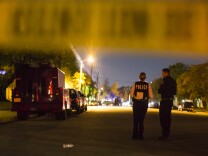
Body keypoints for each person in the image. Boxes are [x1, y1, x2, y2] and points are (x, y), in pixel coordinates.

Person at [130, 72, 153, 140]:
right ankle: (140, 136)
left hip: (136, 104)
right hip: (143, 104)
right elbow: (151, 96)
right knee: (141, 121)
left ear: (139, 77)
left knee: (135, 120)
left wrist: (135, 96)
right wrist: (147, 96)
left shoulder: (135, 84)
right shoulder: (147, 85)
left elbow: (131, 95)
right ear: (145, 78)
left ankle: (134, 135)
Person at [158, 68, 177, 140]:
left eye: (162, 73)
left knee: (163, 118)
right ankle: (167, 134)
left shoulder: (164, 81)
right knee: (168, 118)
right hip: (170, 101)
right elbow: (175, 92)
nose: (162, 74)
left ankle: (164, 135)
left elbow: (160, 91)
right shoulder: (173, 81)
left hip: (164, 101)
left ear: (166, 73)